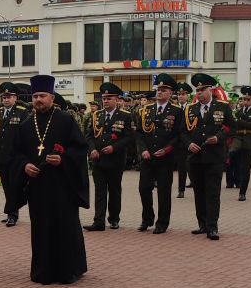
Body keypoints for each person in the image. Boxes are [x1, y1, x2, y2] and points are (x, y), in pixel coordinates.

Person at [13, 74, 88, 285]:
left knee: (65, 227)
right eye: (35, 96)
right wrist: (24, 165)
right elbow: (16, 153)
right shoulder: (26, 124)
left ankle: (68, 271)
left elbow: (80, 148)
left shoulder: (65, 120)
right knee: (41, 228)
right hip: (38, 187)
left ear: (52, 98)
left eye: (42, 96)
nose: (38, 99)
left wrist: (63, 159)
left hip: (63, 185)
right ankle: (42, 272)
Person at [183, 72, 236, 240]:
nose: (198, 93)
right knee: (199, 192)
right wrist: (189, 143)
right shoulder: (190, 109)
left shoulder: (222, 106)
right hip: (195, 157)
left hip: (214, 157)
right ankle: (202, 224)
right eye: (197, 90)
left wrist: (219, 138)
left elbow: (231, 127)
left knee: (212, 193)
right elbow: (182, 131)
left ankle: (212, 227)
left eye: (202, 90)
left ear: (211, 90)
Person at [83, 81, 133, 231]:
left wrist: (114, 147)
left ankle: (114, 218)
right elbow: (89, 135)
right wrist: (91, 150)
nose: (105, 101)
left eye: (109, 98)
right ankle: (98, 221)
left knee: (114, 190)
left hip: (115, 160)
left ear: (117, 99)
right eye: (104, 98)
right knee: (99, 191)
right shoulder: (96, 115)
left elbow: (129, 137)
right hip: (98, 159)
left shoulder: (125, 116)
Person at [135, 75, 182, 232]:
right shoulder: (146, 109)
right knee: (143, 189)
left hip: (165, 157)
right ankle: (147, 219)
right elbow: (140, 133)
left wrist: (168, 149)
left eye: (164, 90)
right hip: (148, 156)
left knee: (163, 191)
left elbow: (178, 134)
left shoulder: (176, 110)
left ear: (170, 93)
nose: (160, 92)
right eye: (158, 89)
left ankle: (162, 223)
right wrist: (143, 150)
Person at [0, 82, 27, 226]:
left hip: (16, 157)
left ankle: (13, 214)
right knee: (6, 186)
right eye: (4, 97)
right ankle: (11, 212)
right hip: (2, 156)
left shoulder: (22, 112)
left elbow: (25, 136)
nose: (5, 99)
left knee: (14, 185)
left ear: (15, 98)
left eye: (9, 97)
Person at [230, 86, 251, 201]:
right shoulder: (238, 111)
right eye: (244, 99)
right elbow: (234, 125)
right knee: (233, 160)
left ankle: (242, 192)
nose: (245, 101)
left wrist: (239, 119)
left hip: (250, 141)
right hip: (238, 139)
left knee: (245, 168)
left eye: (248, 99)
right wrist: (241, 120)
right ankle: (235, 183)